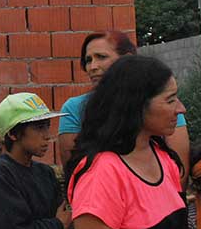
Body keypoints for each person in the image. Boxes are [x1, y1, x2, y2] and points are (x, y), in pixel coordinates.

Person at [66, 55, 189, 229]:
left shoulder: (164, 157)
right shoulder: (102, 174)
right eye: (170, 100)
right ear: (136, 105)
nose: (180, 108)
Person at [58, 30, 190, 185]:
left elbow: (179, 173)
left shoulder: (165, 104)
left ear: (127, 59)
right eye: (88, 60)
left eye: (101, 57)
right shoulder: (75, 108)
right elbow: (74, 173)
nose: (92, 66)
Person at [0, 92, 73, 229]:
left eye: (47, 126)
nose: (47, 135)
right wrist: (57, 225)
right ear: (13, 134)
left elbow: (65, 220)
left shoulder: (45, 173)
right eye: (38, 127)